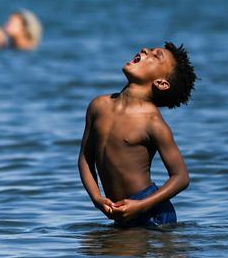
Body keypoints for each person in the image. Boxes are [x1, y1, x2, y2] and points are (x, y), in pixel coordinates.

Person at [79, 43, 197, 229]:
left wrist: (141, 205)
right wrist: (97, 198)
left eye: (156, 56)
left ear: (161, 83)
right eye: (149, 50)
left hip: (152, 214)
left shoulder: (152, 122)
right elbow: (86, 159)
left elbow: (181, 177)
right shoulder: (98, 106)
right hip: (121, 211)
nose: (145, 50)